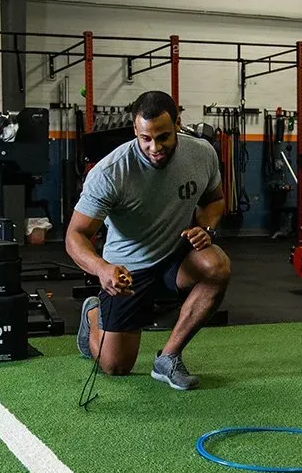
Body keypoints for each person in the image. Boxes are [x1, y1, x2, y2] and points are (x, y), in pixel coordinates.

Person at [66, 91, 230, 390]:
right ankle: (93, 316)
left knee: (216, 265)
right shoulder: (110, 172)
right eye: (146, 138)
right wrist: (102, 269)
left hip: (175, 255)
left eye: (164, 137)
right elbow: (75, 236)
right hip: (128, 269)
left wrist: (206, 227)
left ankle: (168, 357)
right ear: (135, 131)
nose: (155, 147)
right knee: (116, 367)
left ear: (178, 123)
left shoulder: (202, 153)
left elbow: (215, 199)